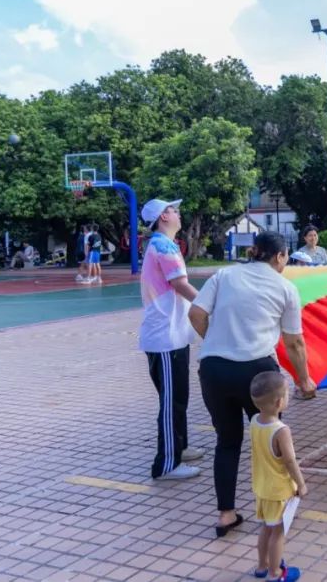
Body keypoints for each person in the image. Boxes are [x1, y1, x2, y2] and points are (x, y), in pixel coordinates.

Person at [188, 230, 316, 539]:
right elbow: (294, 342)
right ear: (280, 256)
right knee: (270, 440)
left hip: (215, 369)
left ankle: (226, 514)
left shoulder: (224, 275)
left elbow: (196, 313)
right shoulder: (285, 288)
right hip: (258, 372)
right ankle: (276, 508)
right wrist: (304, 380)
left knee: (227, 441)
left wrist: (215, 342)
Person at [138, 198, 203, 481]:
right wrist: (209, 305)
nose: (178, 213)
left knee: (178, 397)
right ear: (163, 217)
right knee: (171, 402)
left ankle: (180, 447)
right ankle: (166, 465)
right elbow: (180, 284)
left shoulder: (163, 244)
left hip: (172, 334)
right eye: (173, 210)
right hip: (165, 336)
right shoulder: (163, 246)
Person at [248, 371, 307, 582]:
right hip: (278, 490)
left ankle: (262, 566)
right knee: (278, 533)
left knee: (266, 527)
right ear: (279, 402)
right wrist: (301, 484)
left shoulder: (254, 421)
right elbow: (290, 461)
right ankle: (275, 573)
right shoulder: (281, 430)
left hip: (261, 487)